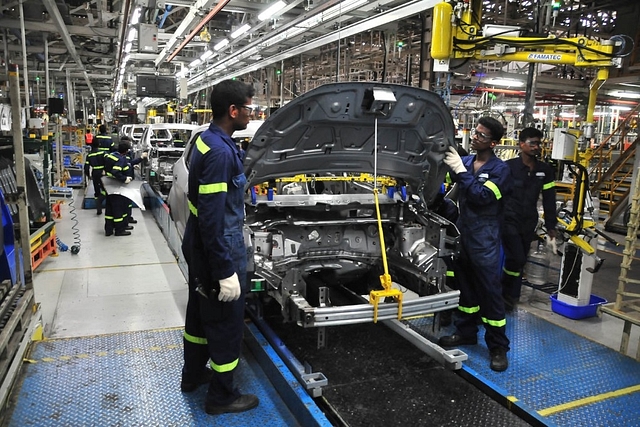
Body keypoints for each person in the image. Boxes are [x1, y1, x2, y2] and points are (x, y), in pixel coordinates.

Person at [180, 79, 259, 415]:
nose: (250, 114)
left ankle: (192, 376)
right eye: (248, 108)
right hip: (218, 248)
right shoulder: (220, 154)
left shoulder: (205, 140)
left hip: (198, 244)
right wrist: (225, 271)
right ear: (233, 110)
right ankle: (221, 397)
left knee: (199, 318)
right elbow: (214, 219)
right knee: (226, 324)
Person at [438, 116, 512, 372]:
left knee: (490, 294)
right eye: (475, 133)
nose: (476, 137)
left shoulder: (501, 170)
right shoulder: (467, 161)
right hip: (462, 235)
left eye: (481, 135)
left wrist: (460, 171)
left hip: (484, 240)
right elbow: (451, 191)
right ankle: (465, 332)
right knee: (465, 290)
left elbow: (482, 197)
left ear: (493, 143)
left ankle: (498, 347)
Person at [501, 127, 557, 311]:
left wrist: (551, 225)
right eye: (532, 143)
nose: (536, 147)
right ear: (521, 144)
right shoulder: (508, 168)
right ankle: (507, 293)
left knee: (520, 259)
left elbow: (549, 198)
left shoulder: (545, 170)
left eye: (539, 143)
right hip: (508, 219)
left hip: (528, 221)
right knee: (515, 257)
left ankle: (511, 295)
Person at [103, 143, 135, 236]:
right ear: (126, 151)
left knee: (109, 209)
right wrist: (124, 178)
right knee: (119, 209)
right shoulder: (121, 159)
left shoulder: (111, 156)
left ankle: (108, 229)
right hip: (117, 187)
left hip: (109, 186)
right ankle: (119, 230)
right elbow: (115, 171)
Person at [84, 139, 107, 215]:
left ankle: (98, 208)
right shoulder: (103, 153)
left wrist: (88, 175)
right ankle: (103, 202)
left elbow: (86, 167)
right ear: (99, 144)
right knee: (105, 189)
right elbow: (108, 162)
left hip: (95, 173)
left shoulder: (89, 155)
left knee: (96, 190)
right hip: (102, 173)